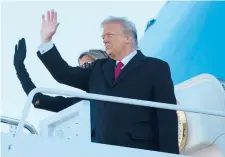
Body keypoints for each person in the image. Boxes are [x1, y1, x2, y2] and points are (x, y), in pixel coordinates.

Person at [36, 10, 179, 154]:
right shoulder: (97, 68)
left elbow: (166, 116)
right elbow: (64, 74)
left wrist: (170, 155)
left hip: (140, 151)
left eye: (109, 35)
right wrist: (46, 42)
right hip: (101, 151)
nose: (104, 40)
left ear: (128, 38)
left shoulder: (155, 67)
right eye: (103, 36)